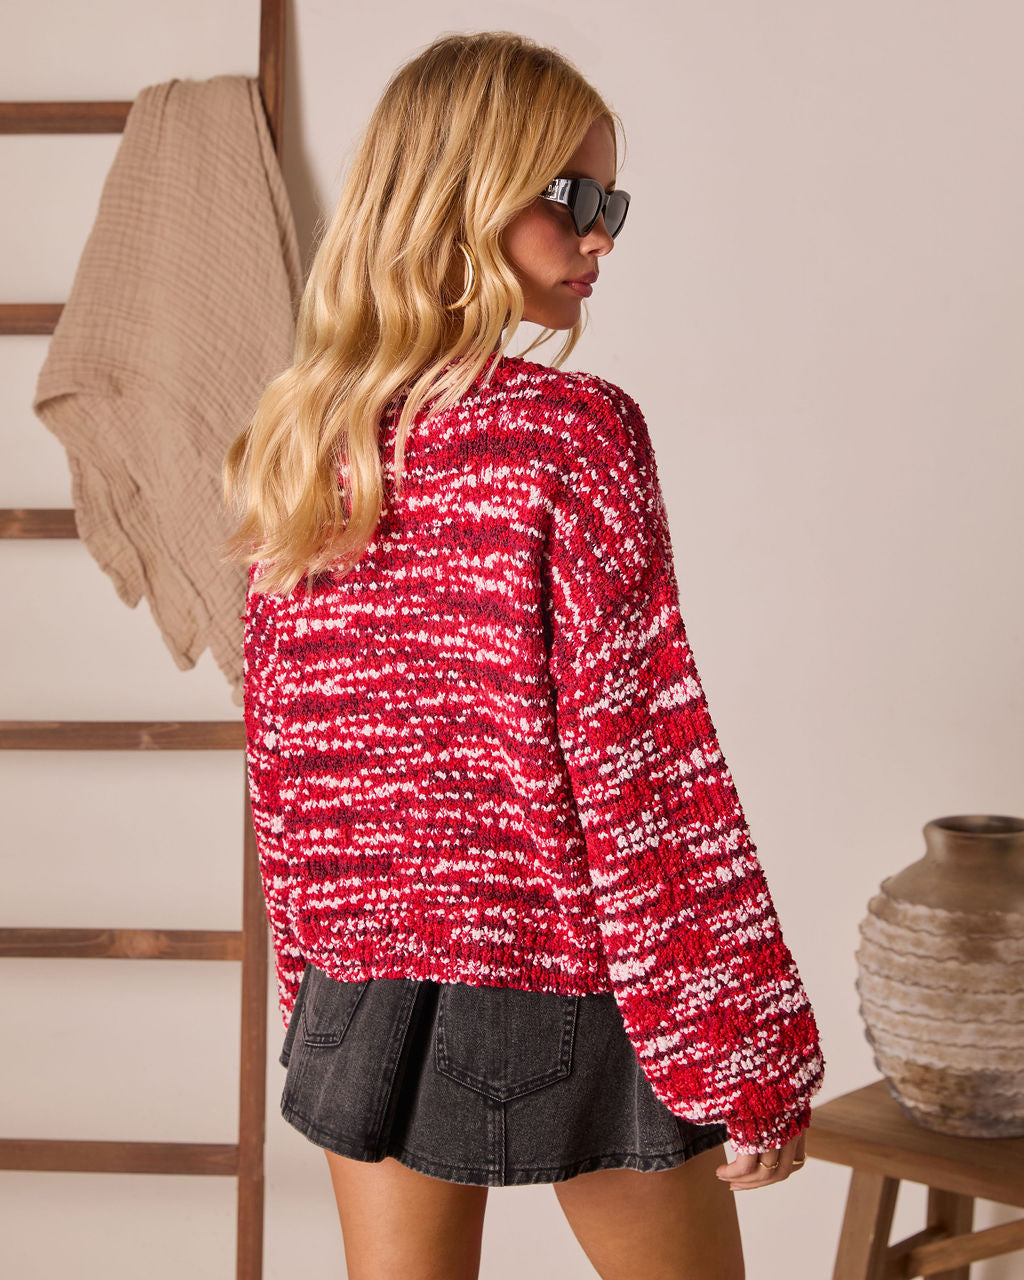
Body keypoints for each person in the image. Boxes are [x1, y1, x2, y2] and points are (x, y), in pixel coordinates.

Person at [221, 29, 825, 1280]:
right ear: (463, 195)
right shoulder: (573, 434)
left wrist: (313, 997)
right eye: (574, 199)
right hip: (558, 975)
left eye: (613, 204)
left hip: (359, 990)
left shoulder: (300, 449)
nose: (602, 236)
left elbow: (287, 780)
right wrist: (743, 1044)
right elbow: (643, 762)